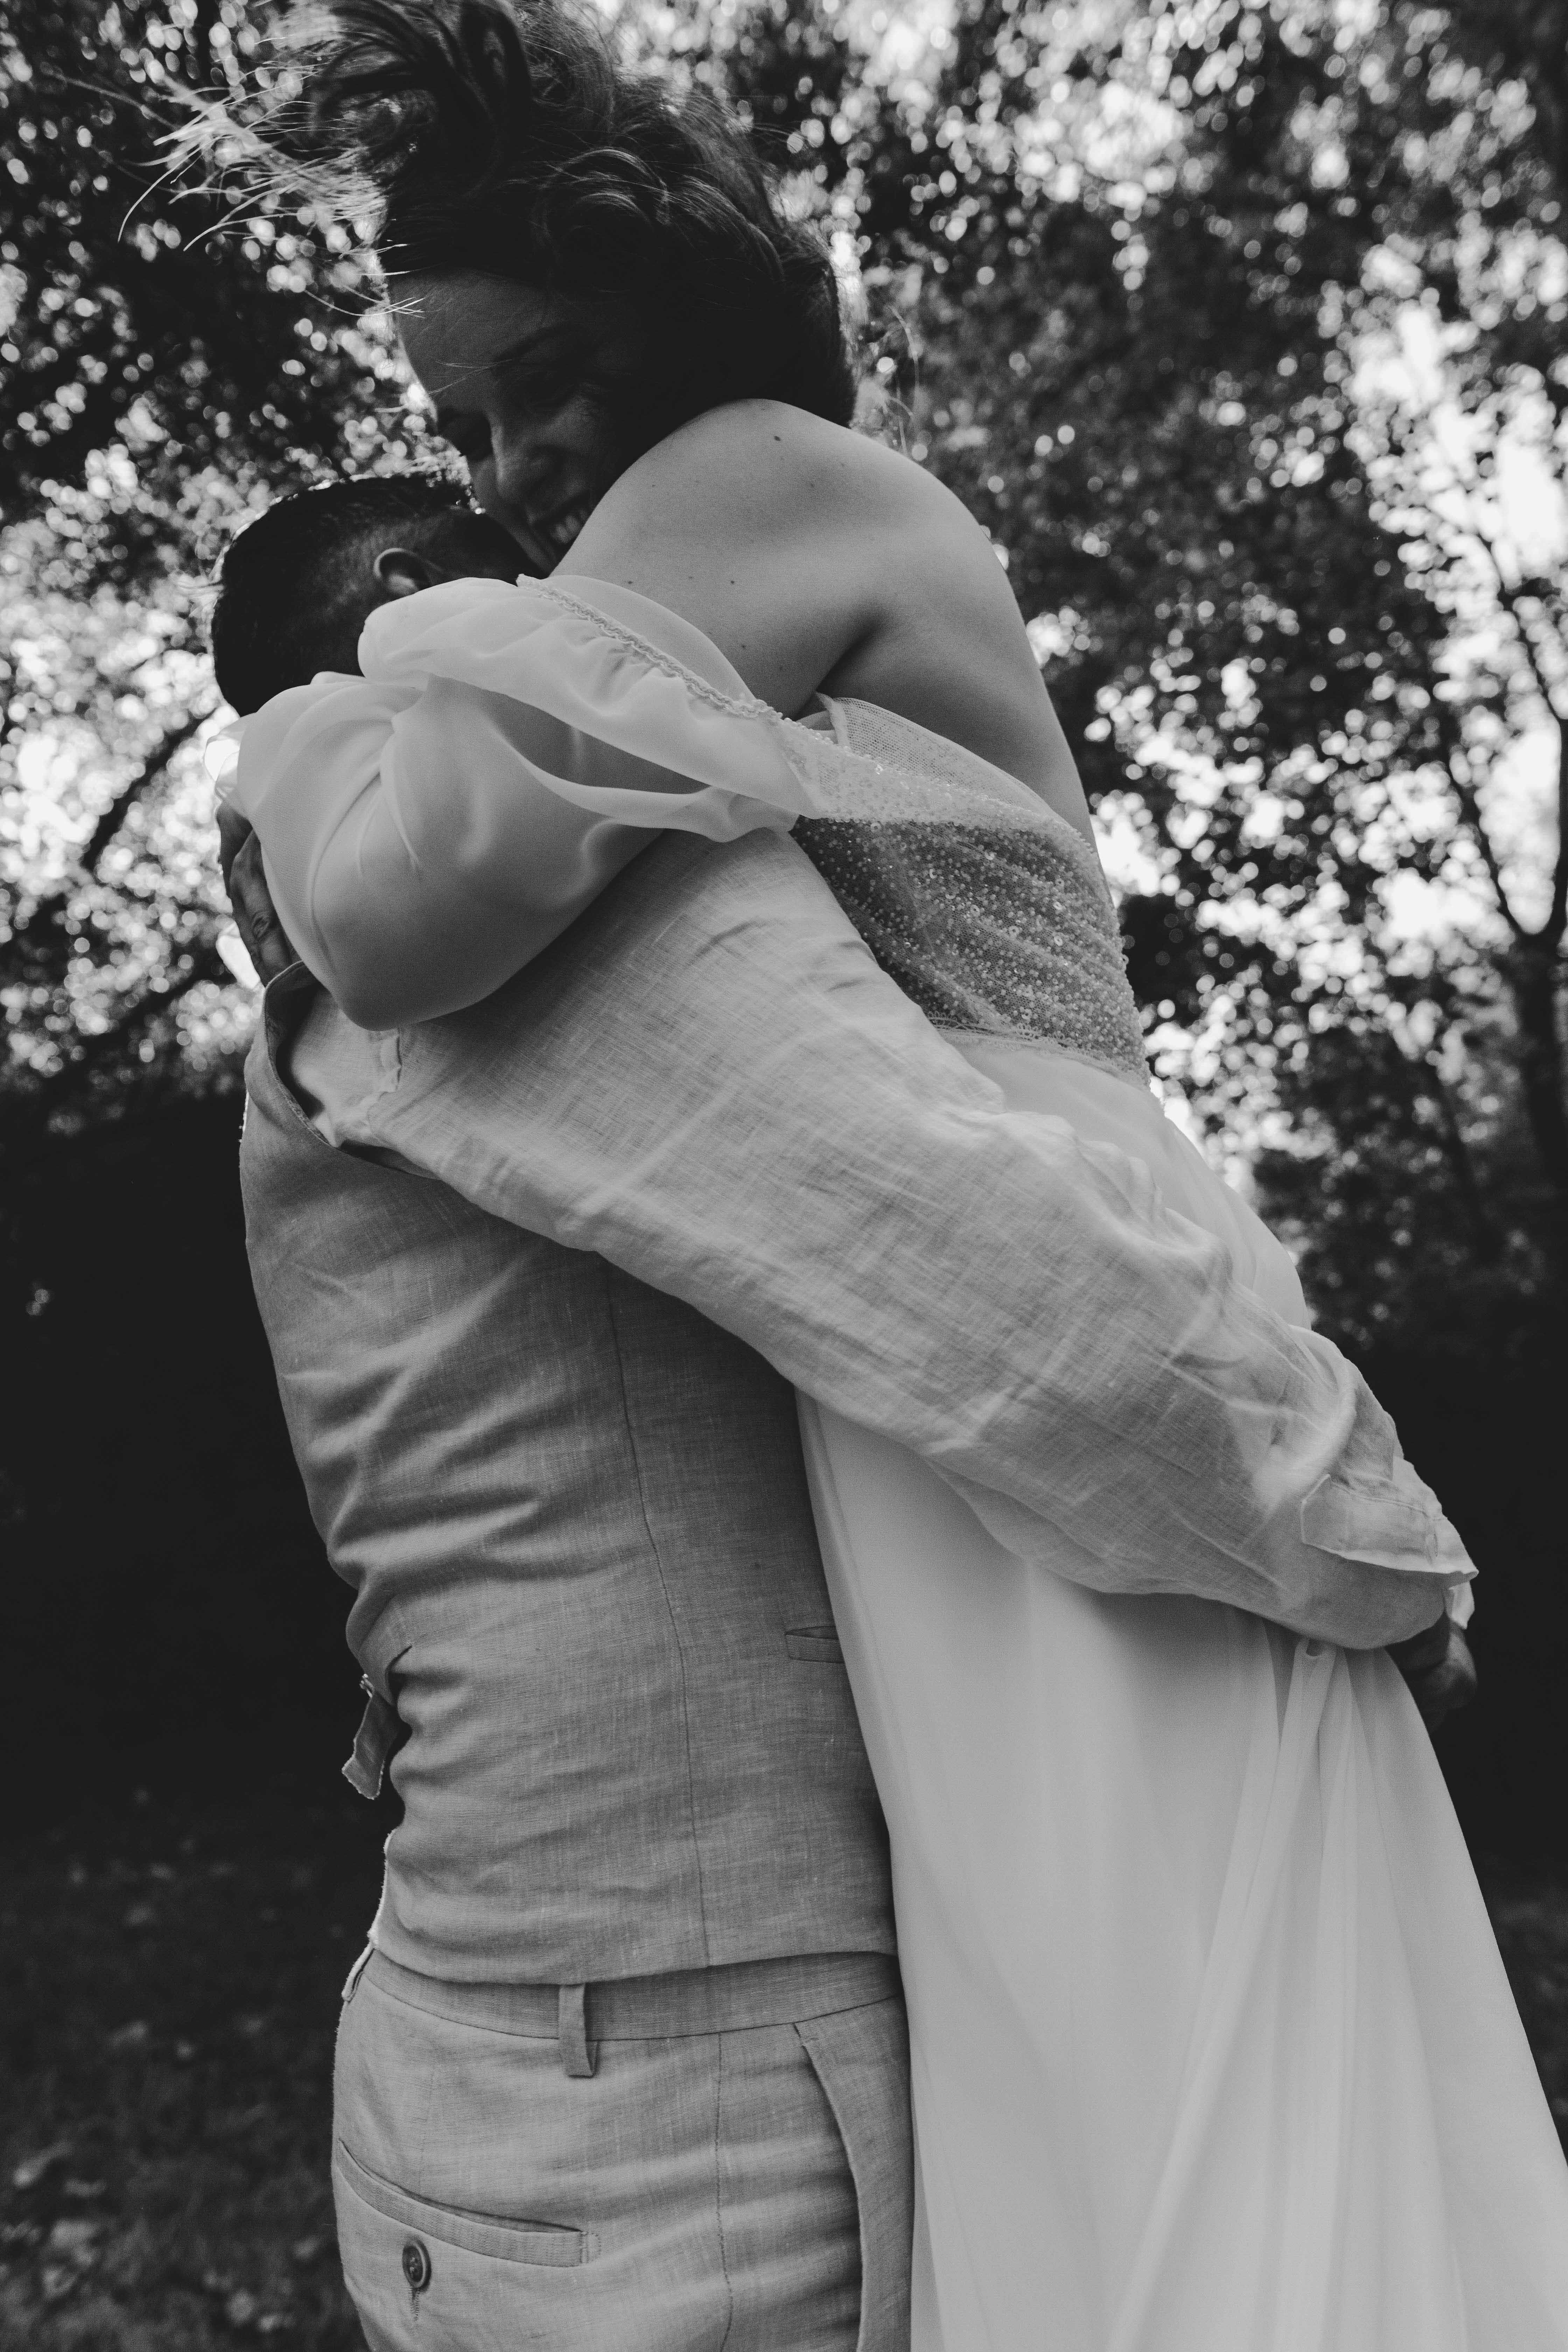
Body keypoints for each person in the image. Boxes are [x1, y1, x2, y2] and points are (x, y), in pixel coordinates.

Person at [211, 2, 1567, 2344]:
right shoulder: (712, 546)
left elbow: (407, 909)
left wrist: (328, 714)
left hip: (1031, 1292)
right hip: (932, 1387)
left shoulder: (752, 474)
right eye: (464, 430)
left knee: (1163, 2054)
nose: (519, 466)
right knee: (1088, 2077)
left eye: (545, 379)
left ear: (670, 305)